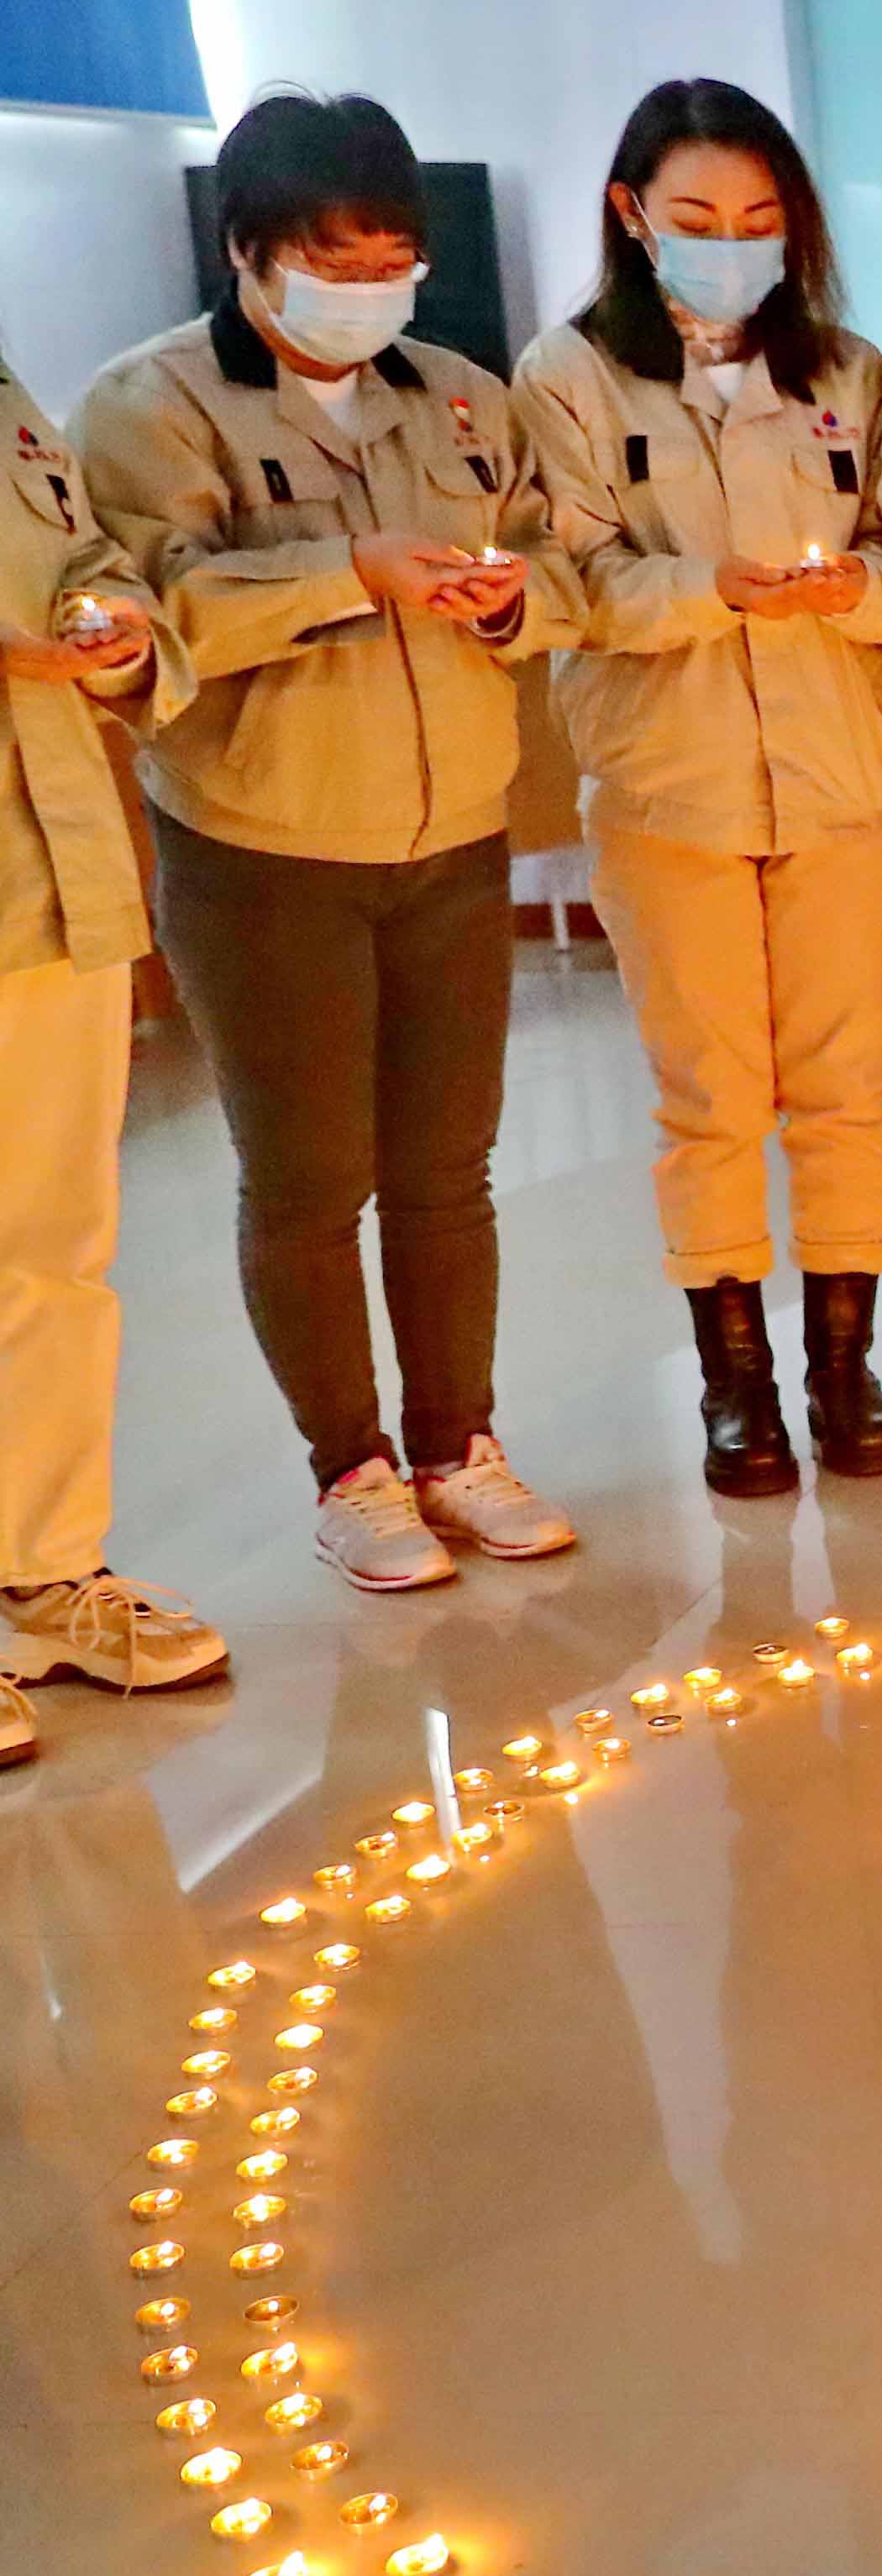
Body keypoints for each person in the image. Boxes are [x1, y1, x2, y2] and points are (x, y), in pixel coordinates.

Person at [78, 90, 589, 1593]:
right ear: (247, 253)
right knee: (307, 1178)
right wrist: (347, 572)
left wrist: (512, 602)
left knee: (448, 1168)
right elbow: (158, 611)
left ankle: (458, 1445)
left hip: (452, 833)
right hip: (263, 844)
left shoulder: (459, 396)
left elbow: (553, 561)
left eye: (391, 264)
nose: (368, 291)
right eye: (333, 262)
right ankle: (349, 1469)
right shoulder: (151, 406)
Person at [518, 78, 882, 1501]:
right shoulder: (568, 376)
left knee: (845, 1085)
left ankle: (845, 1366)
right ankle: (734, 1380)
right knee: (709, 1094)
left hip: (841, 780)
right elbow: (571, 585)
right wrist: (715, 591)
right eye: (698, 217)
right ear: (632, 216)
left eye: (760, 220)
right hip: (666, 784)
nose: (731, 245)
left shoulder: (850, 372)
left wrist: (854, 587)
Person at [0, 336, 224, 1761]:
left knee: (52, 1250)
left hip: (48, 875)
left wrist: (112, 621)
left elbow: (76, 547)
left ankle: (42, 1573)